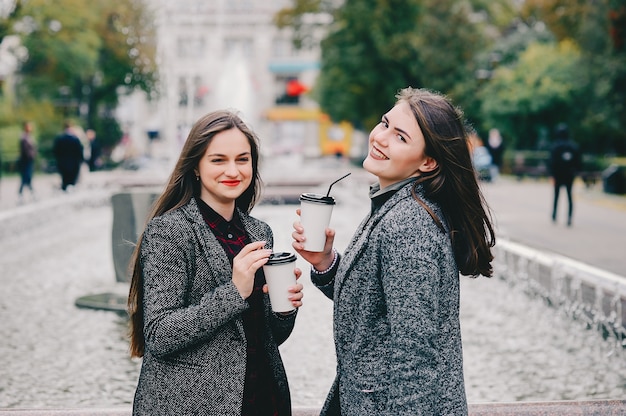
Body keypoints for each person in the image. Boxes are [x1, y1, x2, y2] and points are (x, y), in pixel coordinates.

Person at [292, 87, 495, 415]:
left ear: (428, 162)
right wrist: (326, 263)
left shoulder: (408, 222)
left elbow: (415, 358)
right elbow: (375, 305)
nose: (381, 138)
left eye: (400, 137)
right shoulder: (394, 204)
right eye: (385, 124)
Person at [127, 110, 303, 416]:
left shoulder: (260, 232)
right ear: (195, 166)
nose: (233, 170)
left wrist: (284, 309)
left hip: (262, 399)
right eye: (218, 160)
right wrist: (234, 292)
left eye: (242, 159)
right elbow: (159, 333)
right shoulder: (170, 231)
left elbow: (266, 337)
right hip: (192, 405)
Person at [549, 123, 582, 227]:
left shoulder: (555, 146)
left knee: (556, 195)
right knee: (569, 196)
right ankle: (569, 218)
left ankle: (554, 215)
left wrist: (552, 174)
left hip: (558, 174)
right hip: (569, 174)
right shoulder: (573, 146)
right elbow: (578, 161)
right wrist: (576, 171)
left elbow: (552, 162)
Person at [52, 120, 84, 191]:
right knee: (72, 179)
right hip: (74, 163)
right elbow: (79, 151)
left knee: (65, 179)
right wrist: (81, 160)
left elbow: (55, 151)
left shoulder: (59, 139)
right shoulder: (75, 139)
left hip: (62, 162)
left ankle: (65, 190)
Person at [18, 121, 37, 201]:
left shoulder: (28, 137)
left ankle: (28, 193)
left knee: (27, 177)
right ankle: (24, 193)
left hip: (29, 160)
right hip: (26, 161)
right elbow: (25, 150)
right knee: (26, 177)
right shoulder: (24, 137)